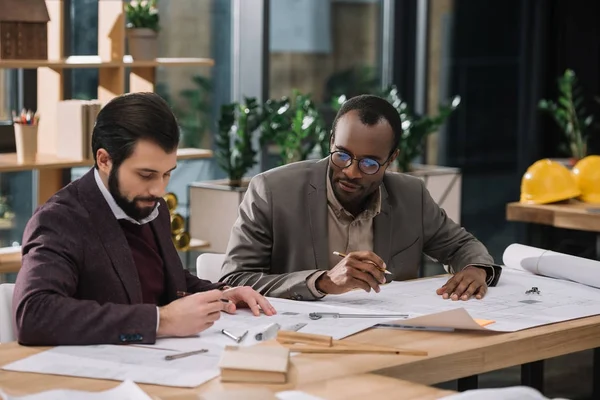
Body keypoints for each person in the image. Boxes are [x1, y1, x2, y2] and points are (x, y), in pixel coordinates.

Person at [13, 92, 275, 346]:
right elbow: (34, 314)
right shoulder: (60, 220)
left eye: (167, 174)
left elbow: (165, 278)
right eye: (146, 175)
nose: (159, 190)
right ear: (104, 160)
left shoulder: (151, 205)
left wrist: (222, 294)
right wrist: (162, 321)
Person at [220, 94, 502, 301]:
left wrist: (476, 269)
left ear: (392, 159)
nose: (351, 172)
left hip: (389, 340)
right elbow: (233, 280)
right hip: (299, 341)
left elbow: (461, 245)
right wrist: (323, 282)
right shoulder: (271, 191)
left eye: (369, 163)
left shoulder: (410, 195)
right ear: (331, 141)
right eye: (342, 155)